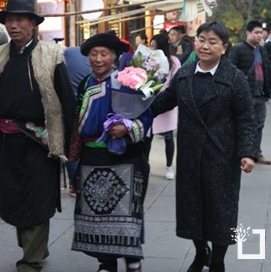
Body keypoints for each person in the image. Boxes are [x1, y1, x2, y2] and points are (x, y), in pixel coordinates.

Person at [0, 0, 75, 272]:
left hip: (40, 143)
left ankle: (30, 260)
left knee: (37, 198)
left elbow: (67, 101)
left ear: (33, 24)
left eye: (20, 19)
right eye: (9, 20)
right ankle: (35, 247)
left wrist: (68, 143)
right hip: (7, 142)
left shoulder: (51, 56)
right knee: (15, 197)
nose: (14, 25)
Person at [152, 21, 258, 272]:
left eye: (212, 42)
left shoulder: (234, 78)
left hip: (221, 155)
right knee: (191, 211)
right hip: (189, 154)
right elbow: (164, 101)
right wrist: (135, 107)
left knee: (221, 213)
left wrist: (247, 153)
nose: (205, 46)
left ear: (224, 47)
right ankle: (201, 252)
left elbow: (246, 119)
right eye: (201, 40)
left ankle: (218, 262)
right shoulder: (186, 73)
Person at [69, 33, 153, 272]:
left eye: (103, 54)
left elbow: (146, 114)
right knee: (96, 213)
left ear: (114, 57)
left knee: (126, 214)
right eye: (93, 54)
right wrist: (72, 161)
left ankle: (133, 261)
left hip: (123, 157)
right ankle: (106, 262)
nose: (98, 59)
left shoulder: (127, 81)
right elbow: (76, 120)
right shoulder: (86, 83)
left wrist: (127, 127)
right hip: (92, 157)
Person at [228, 20, 271, 165]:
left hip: (260, 94)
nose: (259, 36)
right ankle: (241, 152)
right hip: (245, 95)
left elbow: (268, 72)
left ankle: (256, 153)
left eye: (261, 33)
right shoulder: (238, 49)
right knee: (244, 124)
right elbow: (230, 70)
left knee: (259, 124)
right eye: (256, 33)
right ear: (248, 33)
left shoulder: (262, 50)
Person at [143, 33, 181, 180]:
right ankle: (145, 164)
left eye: (154, 46)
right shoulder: (148, 60)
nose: (152, 49)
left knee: (168, 136)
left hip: (167, 102)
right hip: (150, 100)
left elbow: (176, 81)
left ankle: (169, 166)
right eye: (151, 46)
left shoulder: (173, 62)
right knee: (148, 135)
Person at [64, 46, 92, 197]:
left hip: (69, 106)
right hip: (87, 107)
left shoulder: (69, 52)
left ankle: (75, 184)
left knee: (72, 147)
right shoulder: (95, 63)